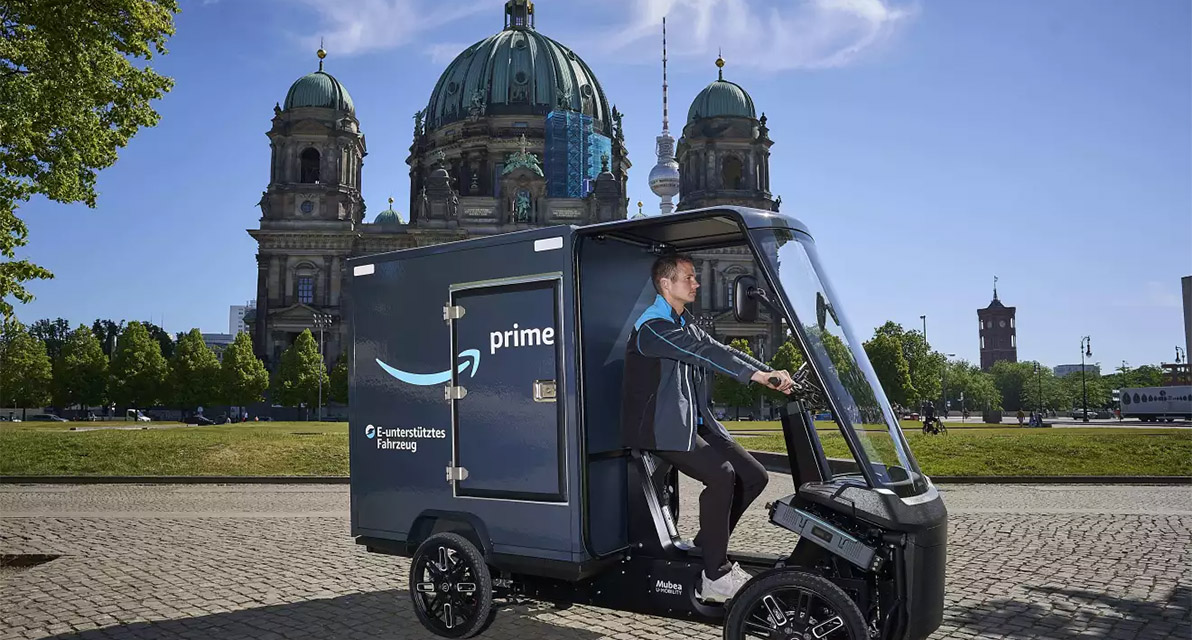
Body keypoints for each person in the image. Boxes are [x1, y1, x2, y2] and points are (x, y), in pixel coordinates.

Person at [621, 253, 796, 603]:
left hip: (690, 423)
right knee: (721, 475)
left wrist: (770, 373)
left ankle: (706, 545)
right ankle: (714, 575)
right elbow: (702, 352)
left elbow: (719, 347)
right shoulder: (653, 328)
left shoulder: (683, 322)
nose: (696, 283)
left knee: (755, 476)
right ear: (666, 284)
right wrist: (758, 377)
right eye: (689, 278)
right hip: (659, 428)